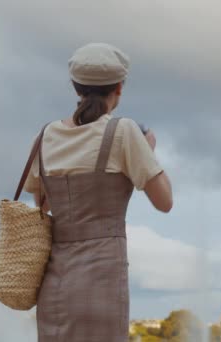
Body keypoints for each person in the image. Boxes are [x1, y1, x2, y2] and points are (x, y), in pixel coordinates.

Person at [24, 43, 173, 342]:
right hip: (103, 278)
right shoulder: (124, 131)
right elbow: (164, 202)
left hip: (55, 282)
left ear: (75, 88)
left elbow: (43, 205)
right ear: (119, 87)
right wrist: (148, 152)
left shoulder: (46, 135)